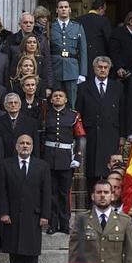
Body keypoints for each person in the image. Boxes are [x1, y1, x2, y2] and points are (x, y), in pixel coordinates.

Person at [0, 134, 51, 263]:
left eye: (28, 143)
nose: (25, 146)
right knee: (14, 250)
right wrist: (4, 212)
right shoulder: (6, 164)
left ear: (32, 147)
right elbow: (2, 191)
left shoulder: (42, 166)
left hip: (33, 216)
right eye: (22, 143)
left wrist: (45, 215)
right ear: (16, 146)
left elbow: (46, 192)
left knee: (31, 250)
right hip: (12, 216)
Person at [69, 180, 132, 263]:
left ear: (112, 196)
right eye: (99, 192)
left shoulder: (124, 221)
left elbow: (130, 258)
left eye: (106, 192)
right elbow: (74, 256)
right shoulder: (82, 219)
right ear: (92, 196)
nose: (102, 195)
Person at [76, 56, 125, 190]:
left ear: (109, 69)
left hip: (111, 134)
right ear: (94, 69)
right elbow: (78, 113)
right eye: (100, 67)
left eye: (105, 67)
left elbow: (122, 113)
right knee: (91, 170)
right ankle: (91, 203)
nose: (102, 70)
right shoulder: (83, 87)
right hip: (91, 134)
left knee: (110, 169)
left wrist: (122, 136)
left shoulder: (118, 87)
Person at [43, 89, 85, 234]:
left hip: (66, 159)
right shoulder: (45, 114)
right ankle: (52, 224)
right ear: (51, 99)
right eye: (55, 96)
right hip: (49, 158)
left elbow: (80, 137)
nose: (58, 98)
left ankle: (65, 224)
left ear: (66, 100)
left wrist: (78, 157)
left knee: (64, 193)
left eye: (61, 96)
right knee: (51, 193)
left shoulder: (73, 115)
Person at [50, 0, 87, 108]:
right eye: (61, 7)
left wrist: (82, 73)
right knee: (55, 100)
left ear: (70, 10)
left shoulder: (77, 27)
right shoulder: (51, 27)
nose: (63, 9)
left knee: (72, 102)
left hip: (72, 69)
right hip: (55, 68)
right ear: (57, 10)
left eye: (66, 7)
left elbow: (83, 51)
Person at [0, 93, 40, 158]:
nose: (13, 105)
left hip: (24, 160)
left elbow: (36, 146)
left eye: (15, 102)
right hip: (4, 160)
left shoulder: (31, 122)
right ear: (5, 106)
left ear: (20, 105)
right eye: (10, 103)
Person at [75, 0, 112, 78]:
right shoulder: (103, 20)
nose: (104, 13)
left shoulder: (79, 20)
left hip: (81, 58)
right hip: (99, 59)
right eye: (104, 11)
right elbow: (109, 40)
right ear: (100, 8)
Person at [109, 11, 132, 82]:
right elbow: (113, 52)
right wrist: (118, 67)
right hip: (123, 72)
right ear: (131, 22)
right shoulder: (118, 33)